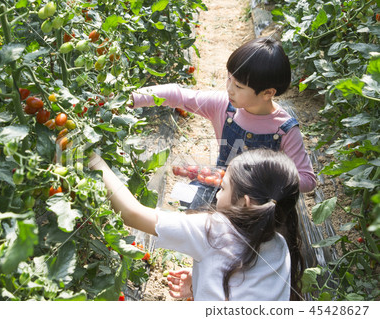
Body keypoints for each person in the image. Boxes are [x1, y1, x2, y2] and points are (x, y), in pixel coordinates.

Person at [88, 149, 305, 301]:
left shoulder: (214, 230)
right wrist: (203, 280)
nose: (218, 193)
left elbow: (132, 214)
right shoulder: (280, 244)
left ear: (244, 203)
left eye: (223, 188)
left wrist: (94, 160)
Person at [129, 37, 316, 209]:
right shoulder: (223, 106)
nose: (229, 89)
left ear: (268, 93)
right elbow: (176, 95)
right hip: (221, 185)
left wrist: (265, 178)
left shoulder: (284, 129)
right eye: (229, 78)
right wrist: (131, 98)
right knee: (193, 201)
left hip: (257, 202)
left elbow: (307, 180)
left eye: (239, 86)